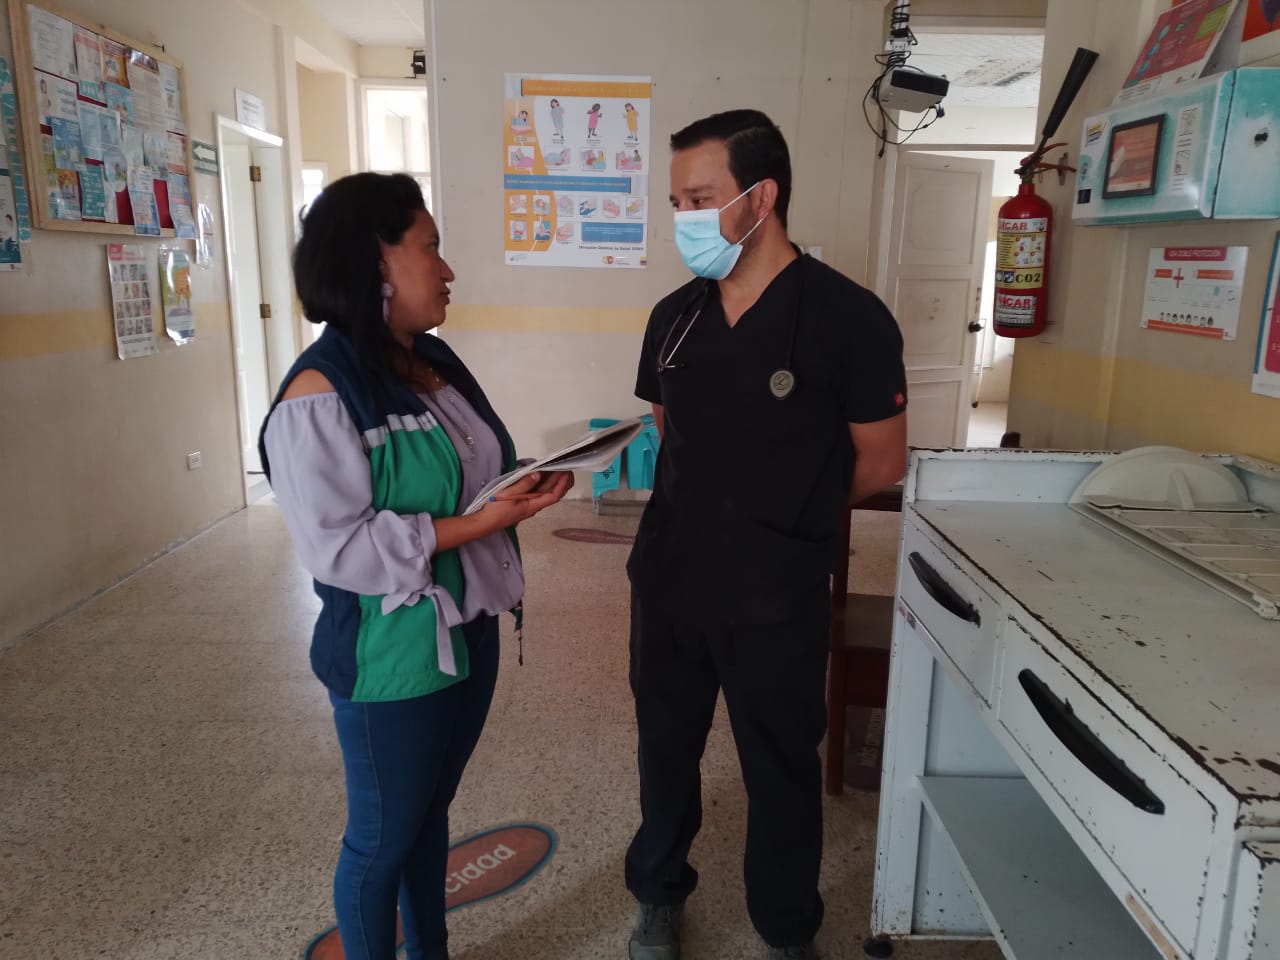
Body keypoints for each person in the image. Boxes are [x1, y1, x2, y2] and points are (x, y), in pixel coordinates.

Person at [259, 172, 572, 960]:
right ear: (375, 262)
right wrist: (480, 523)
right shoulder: (319, 395)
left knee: (427, 815)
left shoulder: (430, 360)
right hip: (394, 652)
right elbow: (338, 548)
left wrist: (523, 482)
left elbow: (465, 472)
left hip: (469, 626)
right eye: (430, 248)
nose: (448, 268)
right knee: (381, 840)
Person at [624, 110, 907, 960]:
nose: (684, 218)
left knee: (780, 765)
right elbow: (672, 430)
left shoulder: (849, 318)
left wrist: (786, 512)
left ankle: (786, 929)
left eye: (700, 198)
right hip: (671, 580)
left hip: (776, 591)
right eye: (676, 202)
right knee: (665, 752)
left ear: (761, 197)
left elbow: (882, 459)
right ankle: (658, 895)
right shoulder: (675, 317)